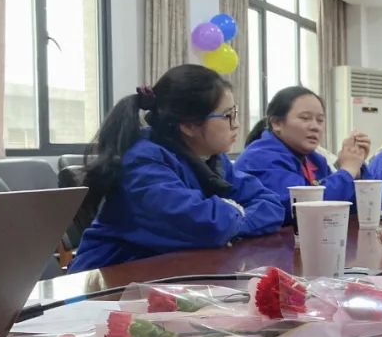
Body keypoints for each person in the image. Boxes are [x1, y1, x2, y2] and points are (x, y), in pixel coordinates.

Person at [70, 65, 284, 271]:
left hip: (169, 275)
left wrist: (233, 219)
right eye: (228, 115)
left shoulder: (213, 159)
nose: (236, 124)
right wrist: (234, 215)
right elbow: (205, 225)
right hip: (110, 280)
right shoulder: (142, 161)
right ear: (189, 125)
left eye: (235, 112)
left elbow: (271, 204)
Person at [236, 86, 371, 225]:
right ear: (276, 123)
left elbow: (348, 208)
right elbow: (303, 209)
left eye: (320, 120)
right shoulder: (259, 157)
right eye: (305, 118)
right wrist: (347, 170)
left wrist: (357, 171)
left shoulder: (315, 159)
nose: (315, 127)